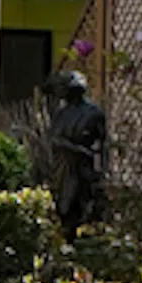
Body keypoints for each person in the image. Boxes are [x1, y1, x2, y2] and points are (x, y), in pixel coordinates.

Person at [43, 67, 110, 231]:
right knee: (64, 205)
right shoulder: (62, 114)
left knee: (82, 203)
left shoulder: (93, 113)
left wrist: (100, 169)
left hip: (84, 166)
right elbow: (55, 139)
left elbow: (102, 144)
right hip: (64, 166)